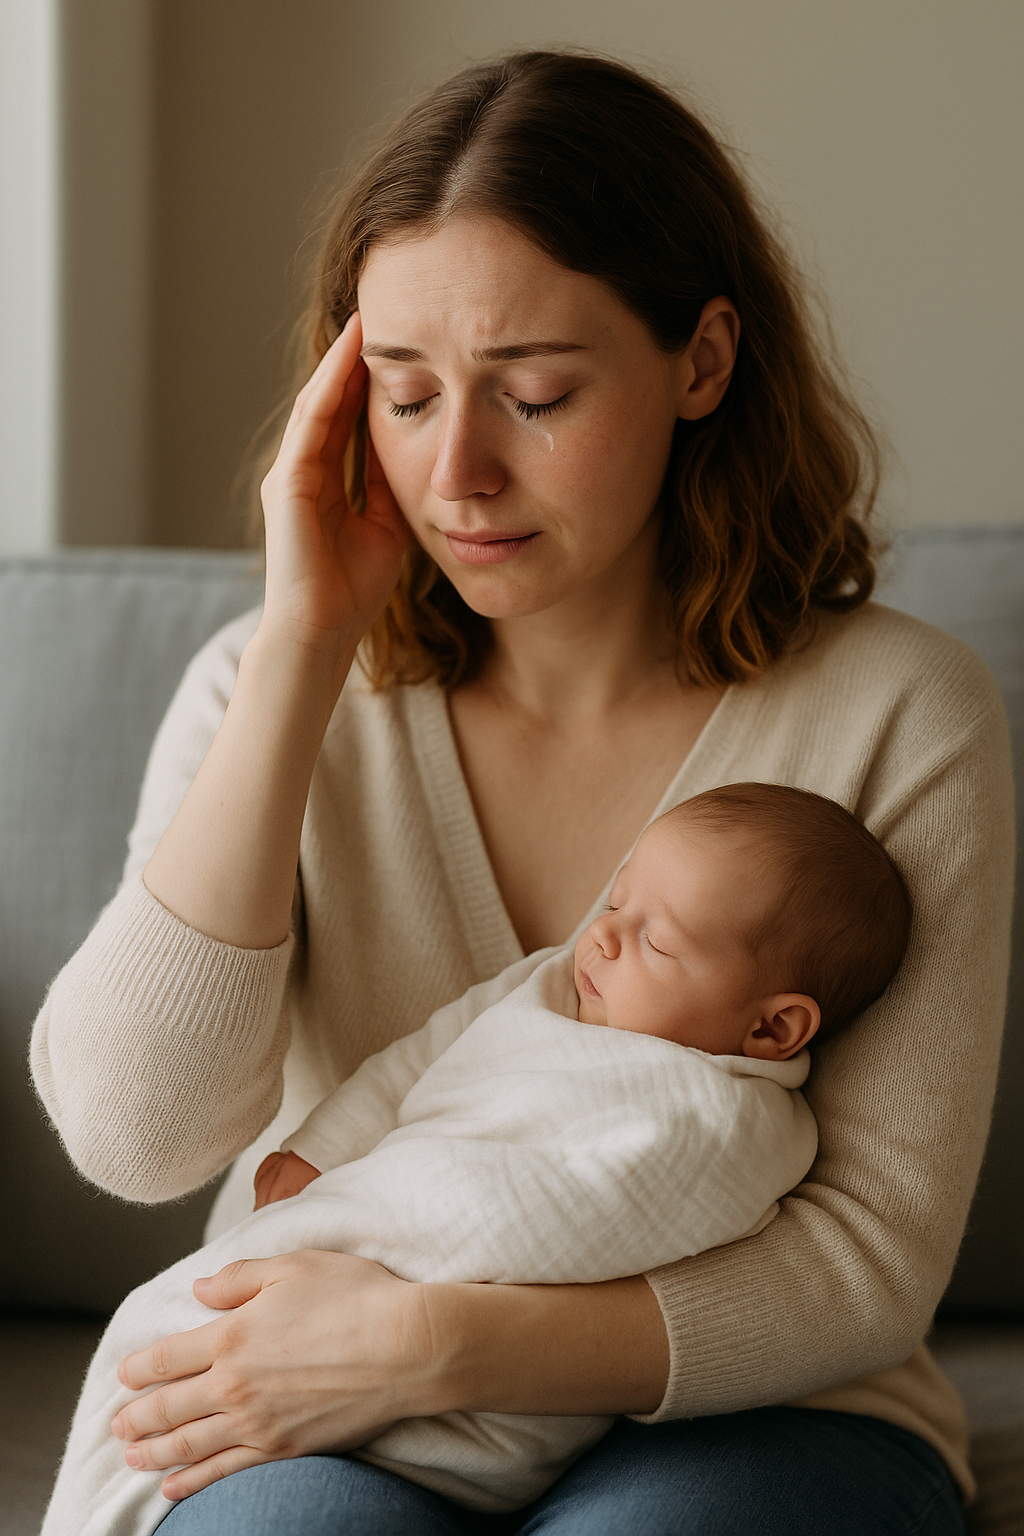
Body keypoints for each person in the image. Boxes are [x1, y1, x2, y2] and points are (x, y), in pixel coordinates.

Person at [29, 49, 1012, 1536]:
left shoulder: (900, 715)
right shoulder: (271, 684)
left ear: (703, 361)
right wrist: (305, 648)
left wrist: (429, 1346)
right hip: (305, 1403)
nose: (461, 473)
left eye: (534, 394)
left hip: (754, 1417)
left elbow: (867, 1263)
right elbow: (133, 1131)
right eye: (408, 396)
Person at [41, 785, 909, 1536]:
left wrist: (416, 1329)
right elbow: (412, 1065)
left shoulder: (732, 1124)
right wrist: (321, 1152)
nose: (602, 939)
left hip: (530, 1389)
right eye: (615, 900)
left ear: (771, 1028)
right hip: (321, 1282)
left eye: (658, 942)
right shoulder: (545, 986)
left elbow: (584, 1216)